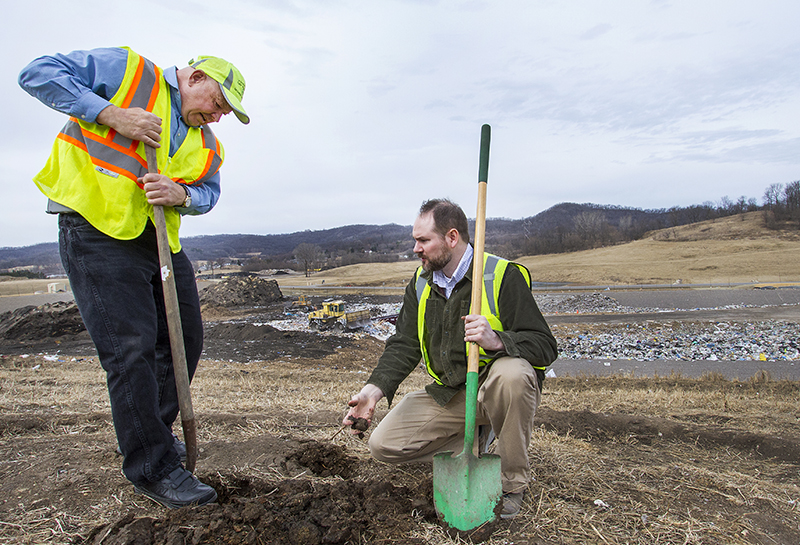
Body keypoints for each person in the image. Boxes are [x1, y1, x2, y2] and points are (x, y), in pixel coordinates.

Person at [18, 47, 250, 508]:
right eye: (218, 104)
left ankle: (153, 434)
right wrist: (110, 114)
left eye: (224, 112)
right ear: (196, 77)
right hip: (96, 229)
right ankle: (151, 466)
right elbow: (37, 73)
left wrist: (180, 193)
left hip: (159, 239)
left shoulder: (207, 143)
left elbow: (208, 192)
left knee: (185, 338)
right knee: (131, 350)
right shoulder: (131, 72)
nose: (218, 117)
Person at [343, 198, 558, 519]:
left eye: (423, 240)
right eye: (415, 240)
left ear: (452, 238)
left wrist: (497, 340)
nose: (416, 248)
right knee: (383, 445)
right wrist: (374, 390)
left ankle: (512, 483)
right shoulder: (420, 283)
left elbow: (545, 345)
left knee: (512, 374)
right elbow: (404, 343)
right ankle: (474, 445)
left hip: (498, 390)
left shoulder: (502, 276)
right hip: (453, 394)